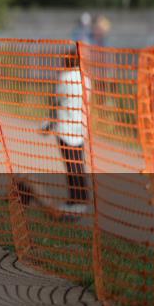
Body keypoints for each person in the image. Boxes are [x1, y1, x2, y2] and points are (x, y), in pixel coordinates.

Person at [43, 48, 91, 214]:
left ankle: (75, 201)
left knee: (71, 165)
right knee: (78, 163)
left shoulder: (65, 78)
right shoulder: (86, 79)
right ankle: (82, 198)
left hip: (65, 128)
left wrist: (48, 124)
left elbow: (56, 102)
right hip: (80, 127)